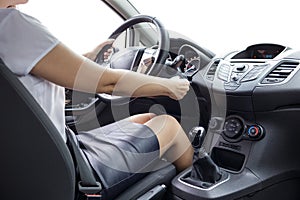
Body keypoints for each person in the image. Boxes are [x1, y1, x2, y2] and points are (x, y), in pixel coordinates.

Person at [0, 0, 194, 198]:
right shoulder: (11, 26)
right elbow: (108, 83)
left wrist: (87, 59)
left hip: (31, 165)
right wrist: (170, 87)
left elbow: (37, 72)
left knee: (148, 118)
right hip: (63, 172)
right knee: (168, 125)